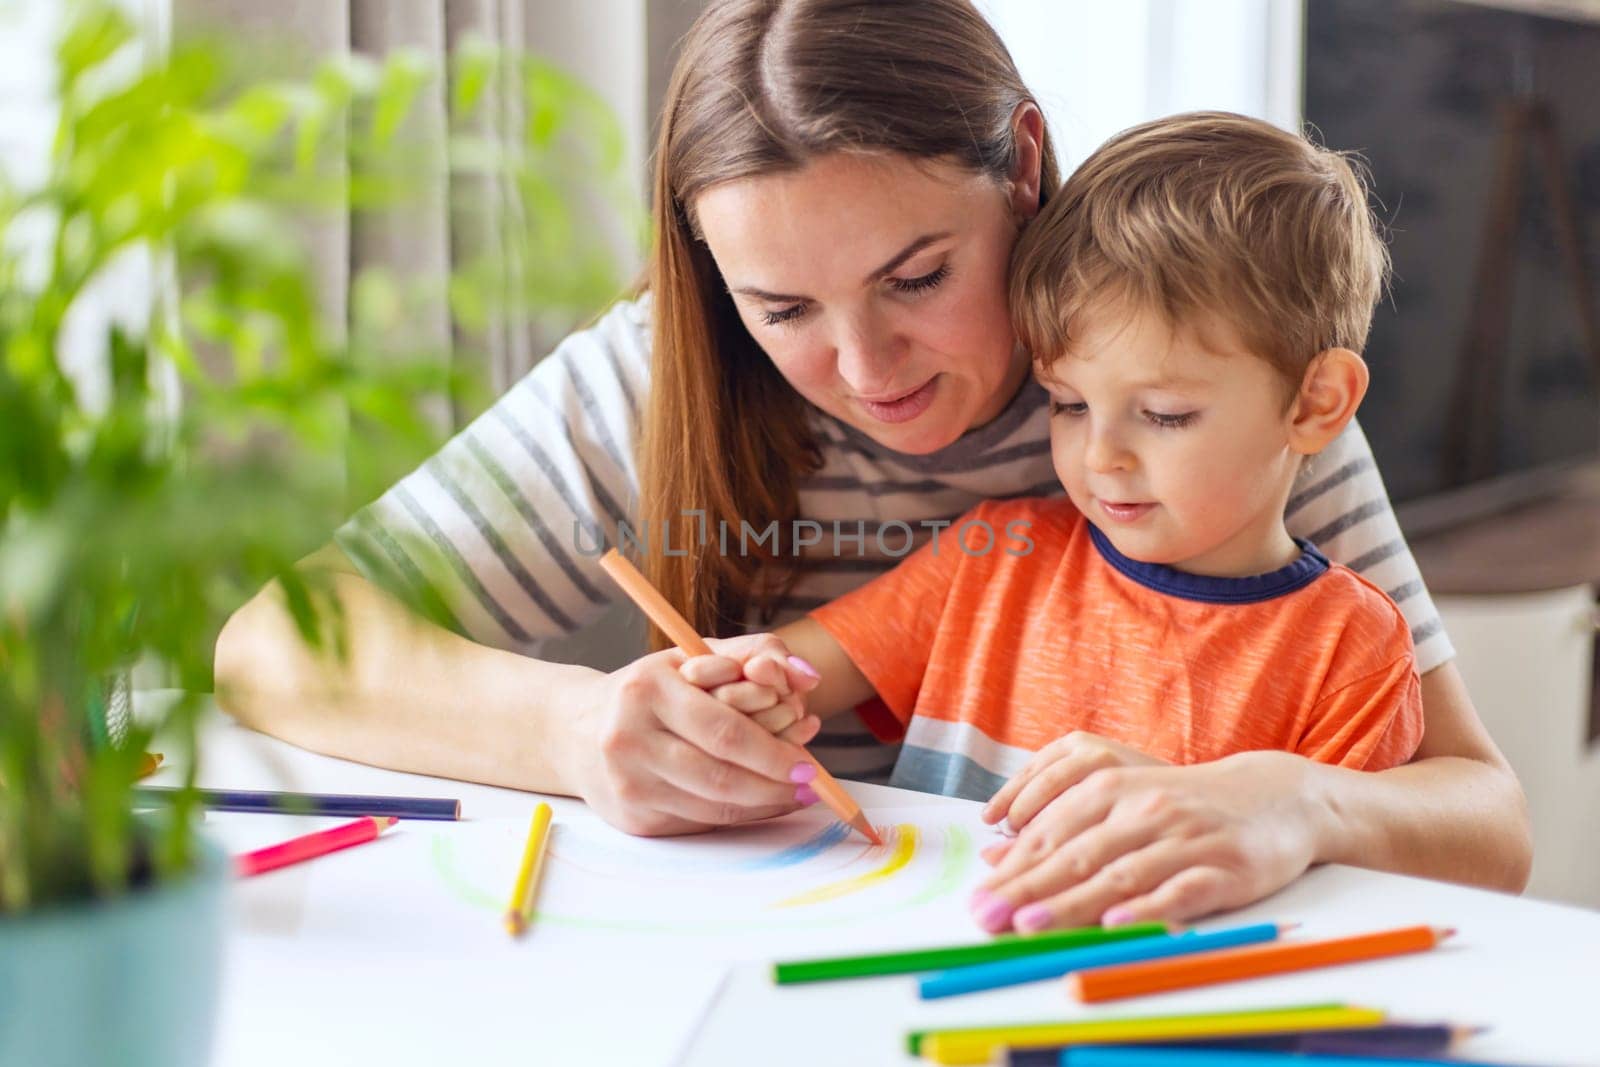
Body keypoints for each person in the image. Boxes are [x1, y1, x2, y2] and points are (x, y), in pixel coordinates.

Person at [213, 0, 1531, 925]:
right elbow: (272, 645)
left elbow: (1484, 812)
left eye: (917, 276)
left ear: (1019, 165)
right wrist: (571, 725)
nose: (866, 365)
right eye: (780, 308)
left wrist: (1290, 800)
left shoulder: (1198, 375)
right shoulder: (658, 372)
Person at [697, 112, 1427, 933]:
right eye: (1069, 404)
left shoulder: (1351, 648)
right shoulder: (993, 552)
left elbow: (1371, 891)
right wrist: (732, 687)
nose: (1101, 457)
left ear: (1316, 402)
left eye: (1164, 414)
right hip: (920, 957)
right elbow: (788, 671)